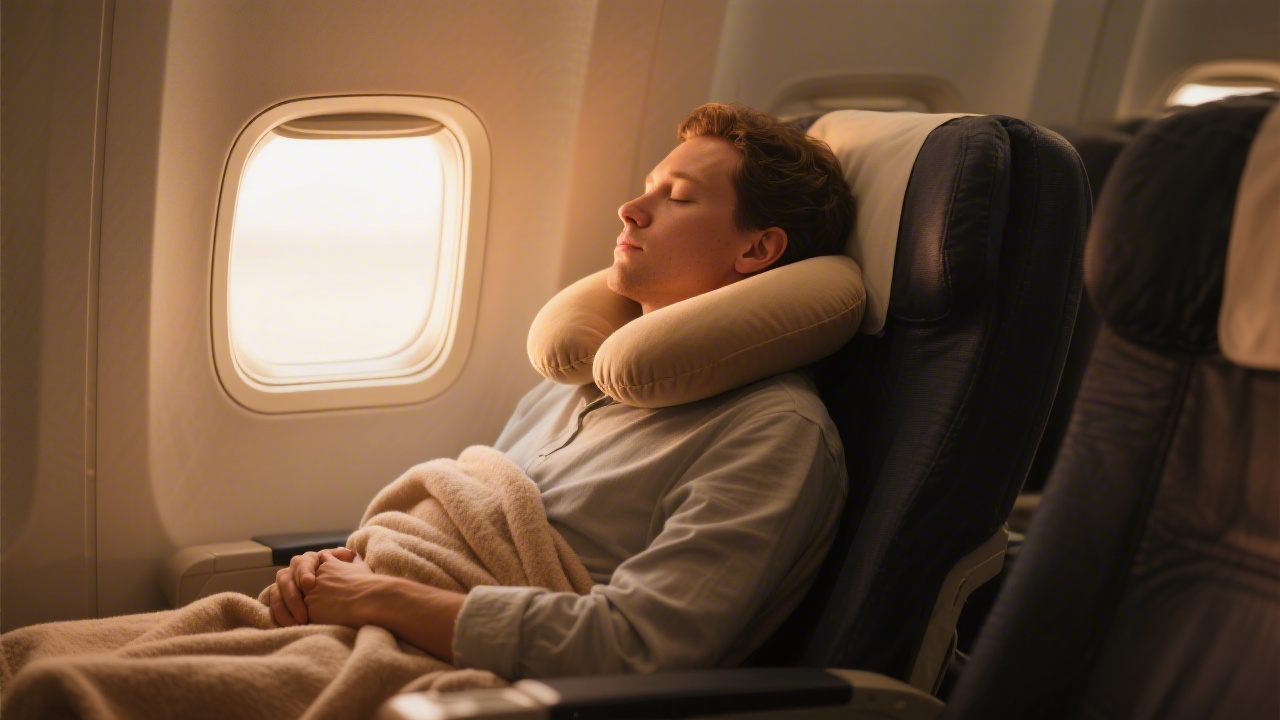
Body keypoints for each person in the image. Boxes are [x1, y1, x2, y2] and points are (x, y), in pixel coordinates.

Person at [267, 102, 856, 678]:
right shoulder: (582, 377)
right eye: (647, 187)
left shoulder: (773, 434)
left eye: (677, 197)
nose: (629, 209)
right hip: (345, 626)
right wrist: (334, 572)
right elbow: (473, 528)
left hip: (453, 680)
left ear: (756, 249)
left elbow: (634, 647)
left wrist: (377, 598)